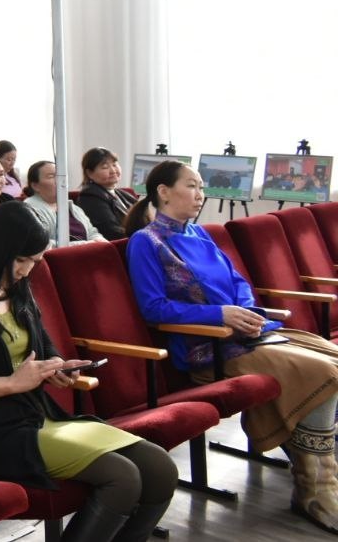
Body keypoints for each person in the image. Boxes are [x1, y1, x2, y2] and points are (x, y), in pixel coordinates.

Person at [0, 202, 177, 542]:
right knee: (123, 478)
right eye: (21, 260)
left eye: (35, 261)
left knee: (161, 468)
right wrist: (12, 383)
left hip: (39, 415)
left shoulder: (16, 287)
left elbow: (42, 345)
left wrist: (57, 365)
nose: (27, 270)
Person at [125, 161, 338, 533]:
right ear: (163, 191)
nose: (200, 194)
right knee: (323, 373)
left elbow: (238, 280)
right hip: (209, 349)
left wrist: (245, 309)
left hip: (248, 333)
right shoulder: (147, 241)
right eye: (192, 186)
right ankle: (315, 489)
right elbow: (153, 308)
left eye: (201, 186)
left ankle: (321, 469)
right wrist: (220, 314)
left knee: (332, 359)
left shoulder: (199, 232)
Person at [23, 161, 105, 248]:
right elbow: (41, 244)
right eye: (51, 176)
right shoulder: (29, 210)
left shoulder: (73, 207)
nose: (60, 180)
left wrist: (100, 241)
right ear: (35, 186)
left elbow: (93, 232)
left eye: (61, 176)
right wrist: (86, 245)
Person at [74, 147, 138, 241]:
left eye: (114, 164)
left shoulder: (122, 193)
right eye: (105, 167)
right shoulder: (90, 197)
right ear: (89, 173)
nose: (113, 171)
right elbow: (112, 231)